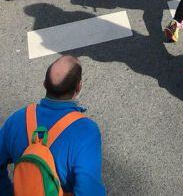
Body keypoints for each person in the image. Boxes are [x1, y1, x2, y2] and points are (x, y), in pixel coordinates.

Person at [0, 55, 106, 195]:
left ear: (44, 84)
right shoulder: (86, 132)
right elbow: (89, 191)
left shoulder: (17, 119)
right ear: (78, 87)